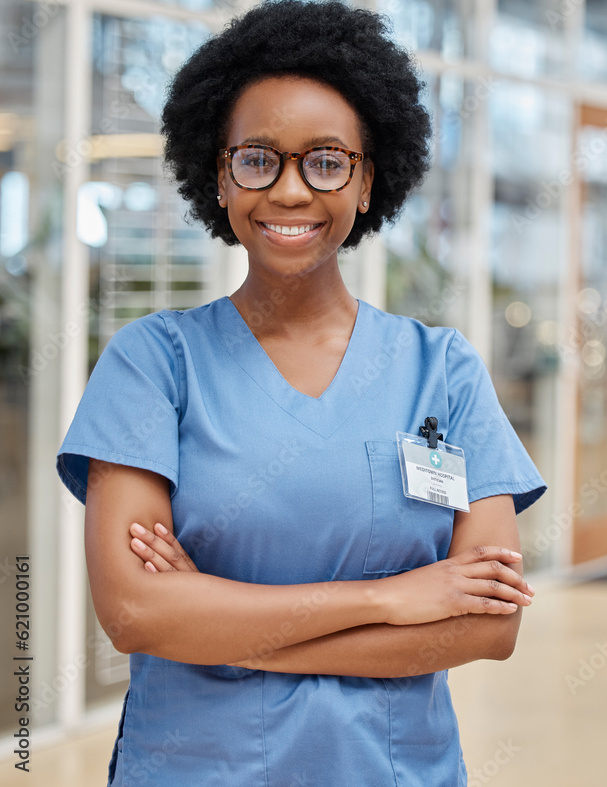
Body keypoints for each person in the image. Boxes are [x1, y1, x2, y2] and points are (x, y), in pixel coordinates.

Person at [55, 2, 546, 784]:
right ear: (219, 176)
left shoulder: (441, 370)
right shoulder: (154, 362)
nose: (289, 190)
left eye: (325, 160)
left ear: (366, 181)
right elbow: (136, 613)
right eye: (258, 158)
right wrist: (397, 597)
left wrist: (213, 617)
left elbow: (489, 627)